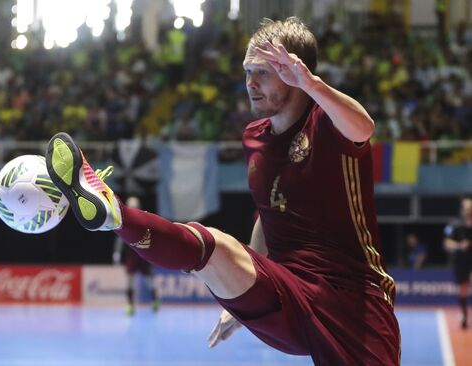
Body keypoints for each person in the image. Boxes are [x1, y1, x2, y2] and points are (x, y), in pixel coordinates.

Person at [45, 17, 400, 365]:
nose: (250, 82)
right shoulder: (255, 137)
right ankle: (115, 213)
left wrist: (312, 85)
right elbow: (267, 211)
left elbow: (363, 127)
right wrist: (246, 286)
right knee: (215, 247)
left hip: (354, 302)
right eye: (247, 71)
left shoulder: (326, 122)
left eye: (263, 71)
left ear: (295, 71)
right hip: (288, 295)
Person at [112, 196, 160, 316]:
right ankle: (129, 305)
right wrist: (117, 252)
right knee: (129, 281)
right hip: (131, 255)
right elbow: (120, 238)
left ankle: (154, 300)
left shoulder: (144, 218)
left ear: (138, 206)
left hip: (143, 255)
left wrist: (154, 254)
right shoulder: (123, 220)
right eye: (130, 205)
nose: (132, 207)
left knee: (150, 280)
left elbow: (151, 237)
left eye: (135, 205)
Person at [444, 197, 472, 329]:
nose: (467, 211)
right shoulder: (455, 225)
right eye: (465, 208)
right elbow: (447, 243)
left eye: (469, 208)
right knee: (463, 289)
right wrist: (460, 245)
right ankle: (464, 314)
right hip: (462, 261)